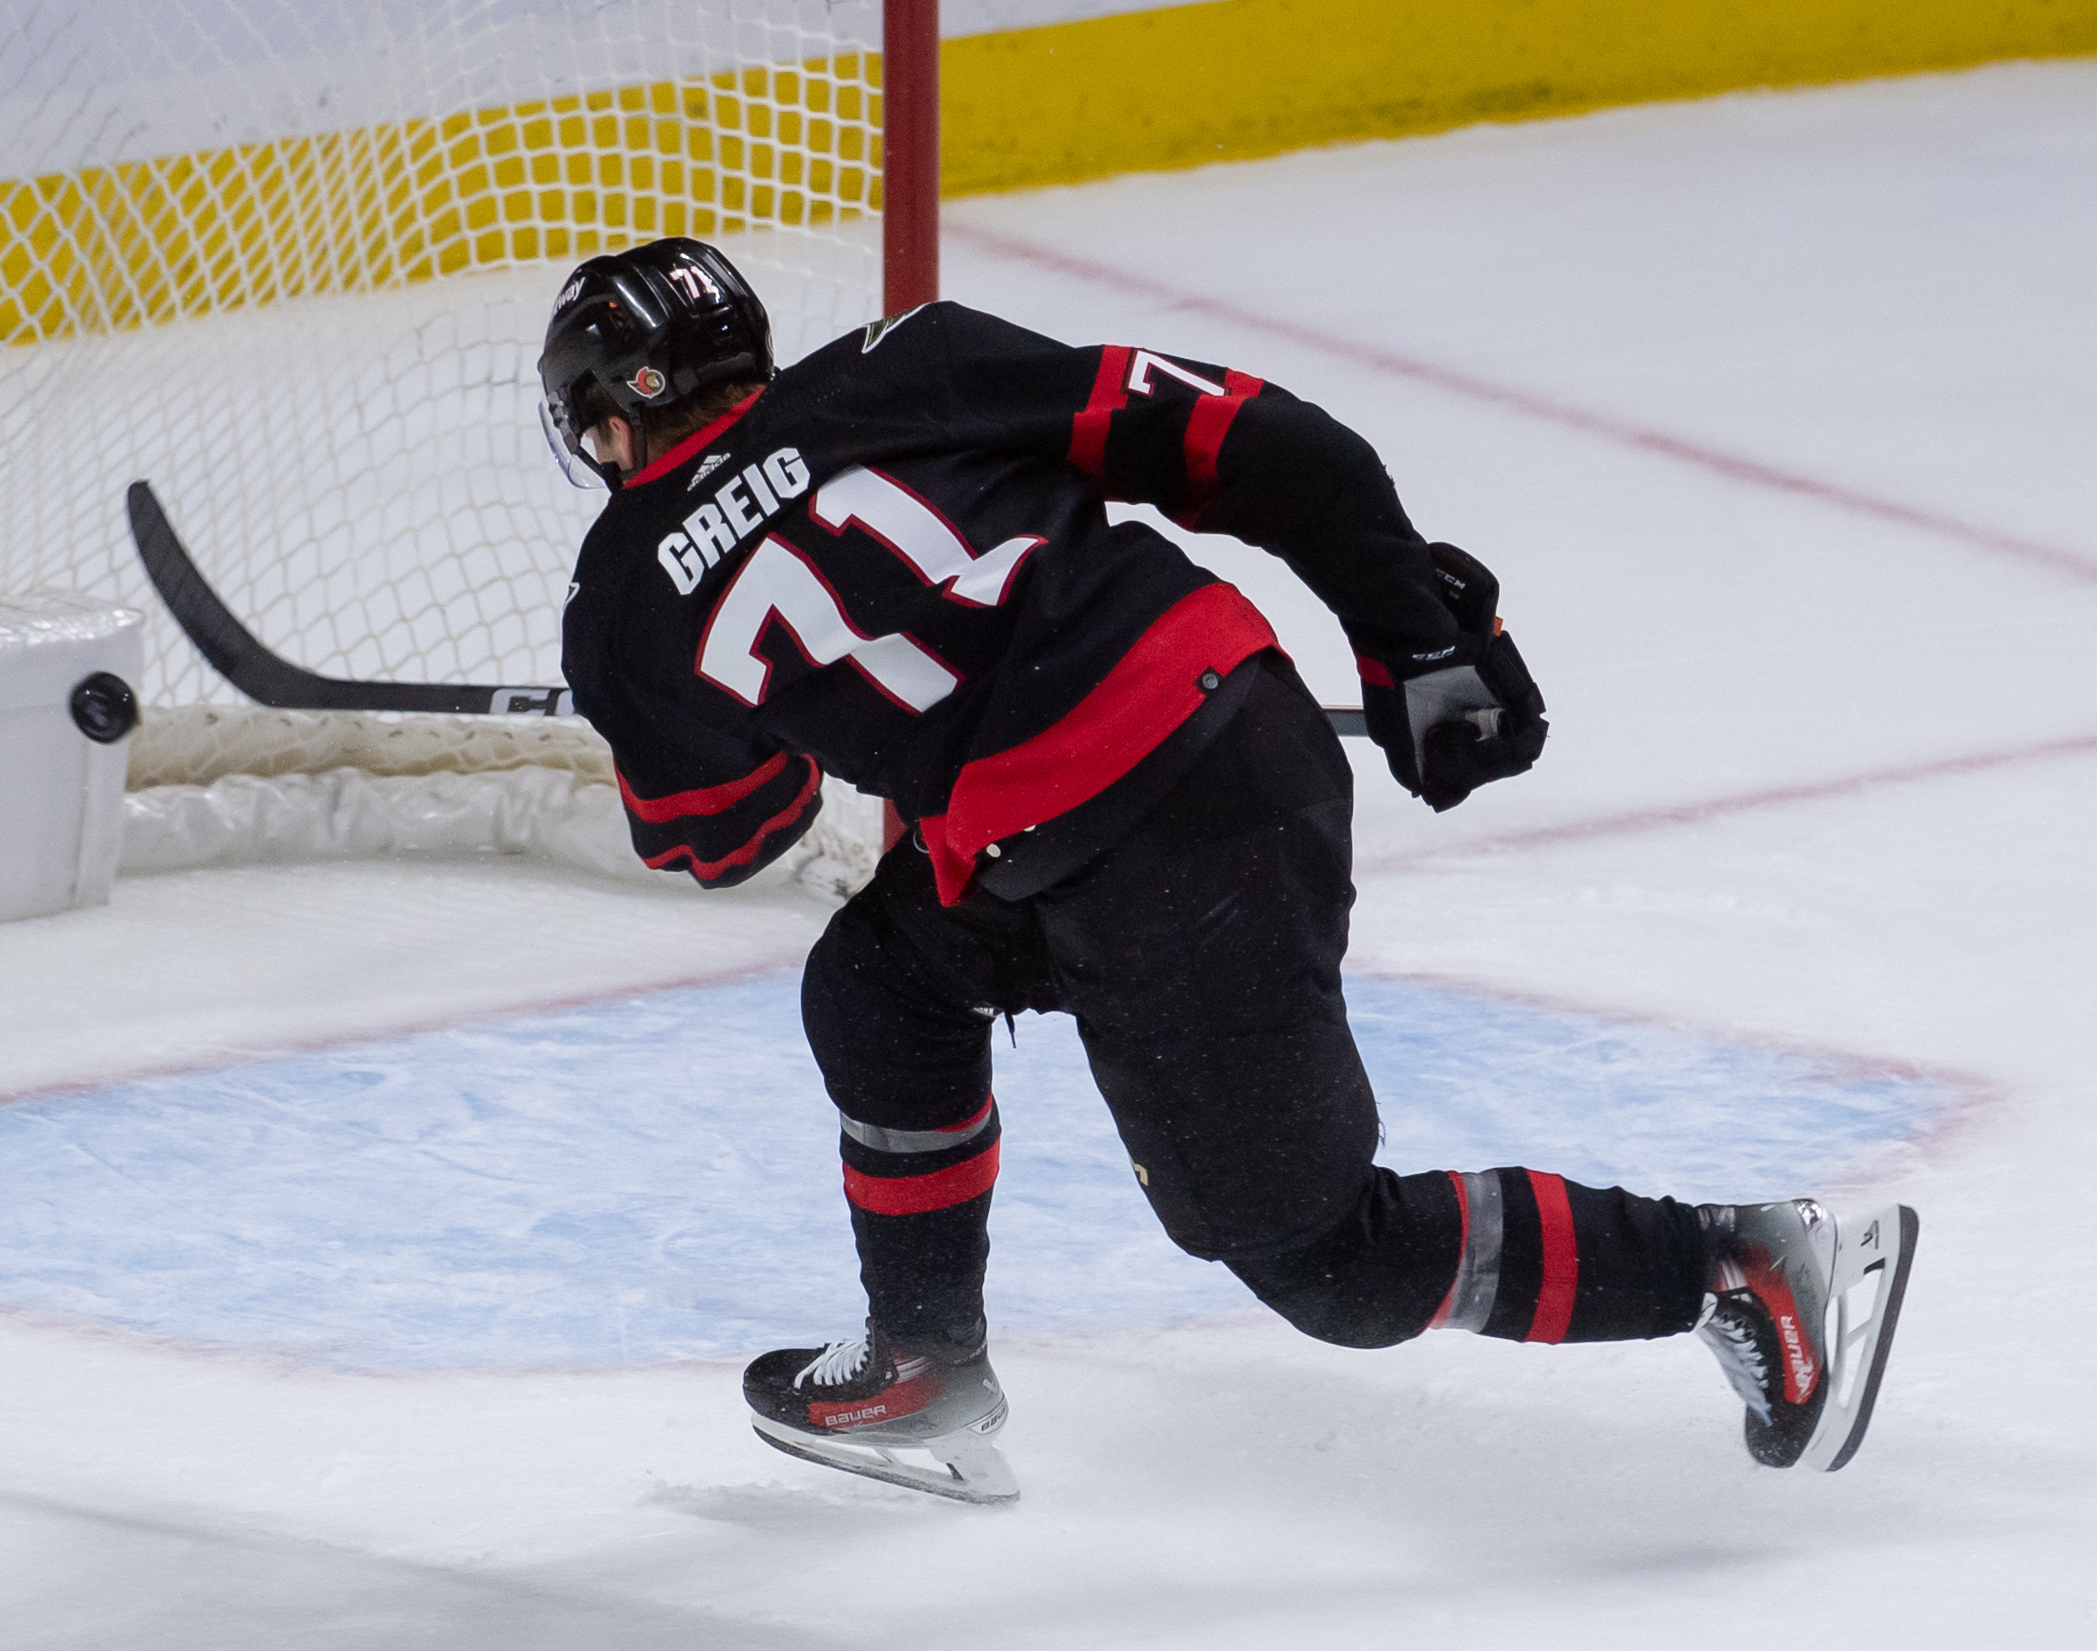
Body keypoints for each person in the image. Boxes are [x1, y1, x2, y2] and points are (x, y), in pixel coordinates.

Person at [540, 237, 1918, 1503]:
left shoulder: (620, 602)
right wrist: (1411, 636)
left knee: (1335, 1259)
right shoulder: (909, 361)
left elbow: (725, 835)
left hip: (1164, 845)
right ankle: (924, 1366)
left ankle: (1733, 1265)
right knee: (879, 987)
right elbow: (1257, 439)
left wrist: (734, 714)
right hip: (1214, 747)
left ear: (608, 424)